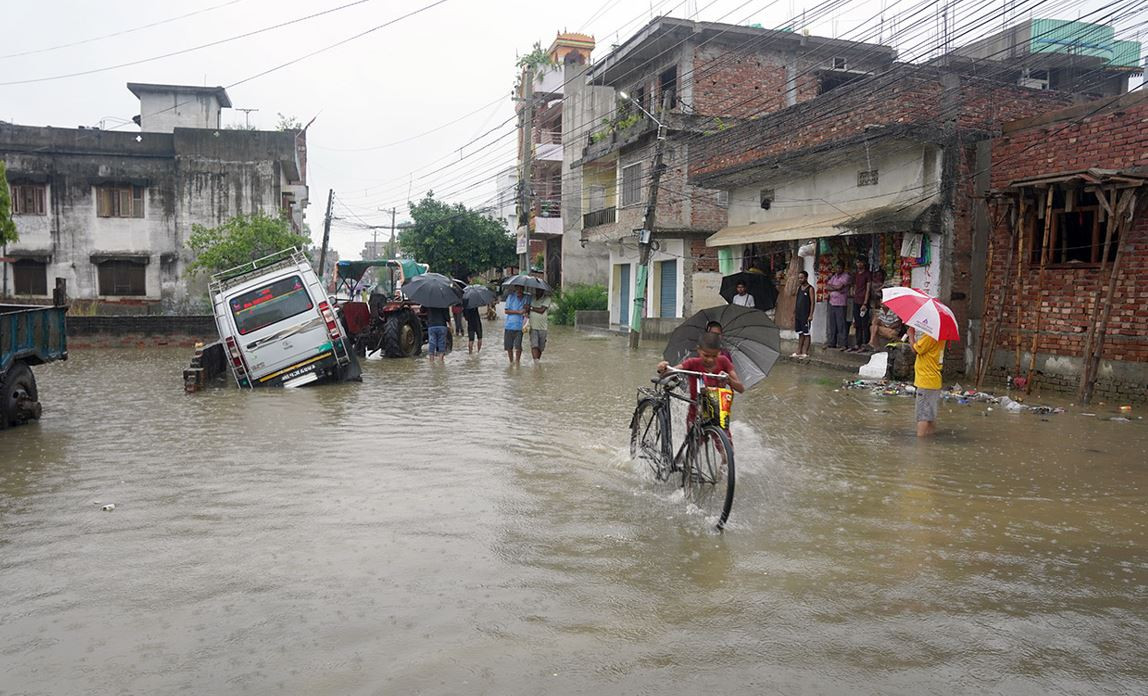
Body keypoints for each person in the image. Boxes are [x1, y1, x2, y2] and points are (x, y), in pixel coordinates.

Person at [657, 332, 745, 431]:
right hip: (695, 413)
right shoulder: (692, 363)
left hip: (718, 412)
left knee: (724, 443)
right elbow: (672, 371)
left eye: (714, 356)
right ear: (699, 350)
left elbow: (741, 388)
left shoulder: (724, 361)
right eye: (706, 355)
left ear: (719, 352)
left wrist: (728, 379)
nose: (710, 359)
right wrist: (662, 369)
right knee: (695, 443)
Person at [908, 326, 945, 438]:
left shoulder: (930, 336)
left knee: (922, 416)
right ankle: (930, 441)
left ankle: (921, 445)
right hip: (934, 380)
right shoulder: (940, 335)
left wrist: (911, 335)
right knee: (930, 416)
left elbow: (916, 349)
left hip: (926, 380)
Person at [825, 260, 851, 351]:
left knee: (841, 324)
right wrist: (835, 288)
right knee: (832, 324)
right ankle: (832, 342)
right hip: (832, 302)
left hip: (841, 303)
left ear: (843, 268)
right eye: (837, 267)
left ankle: (843, 344)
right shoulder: (834, 276)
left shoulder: (846, 276)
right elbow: (827, 286)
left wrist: (833, 287)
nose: (838, 269)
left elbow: (839, 287)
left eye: (840, 268)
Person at [848, 258, 872, 352]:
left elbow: (868, 289)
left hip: (863, 301)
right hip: (856, 300)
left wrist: (865, 303)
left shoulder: (867, 274)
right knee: (857, 323)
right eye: (857, 262)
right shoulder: (856, 274)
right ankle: (858, 343)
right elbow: (854, 286)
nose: (858, 264)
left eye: (860, 262)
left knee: (864, 324)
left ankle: (864, 344)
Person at [503, 285, 530, 366]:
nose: (519, 290)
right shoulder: (511, 297)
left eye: (520, 289)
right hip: (509, 325)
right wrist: (518, 312)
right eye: (517, 289)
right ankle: (511, 362)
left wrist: (527, 308)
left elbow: (528, 309)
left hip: (520, 326)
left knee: (518, 346)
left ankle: (517, 362)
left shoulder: (527, 297)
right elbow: (506, 311)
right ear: (515, 289)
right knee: (509, 346)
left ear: (523, 289)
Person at [792, 270, 815, 358]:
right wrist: (794, 312)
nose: (800, 280)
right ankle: (799, 351)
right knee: (800, 333)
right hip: (798, 314)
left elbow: (812, 302)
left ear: (806, 278)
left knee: (806, 333)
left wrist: (811, 314)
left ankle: (805, 352)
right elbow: (797, 301)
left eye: (801, 278)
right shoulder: (799, 288)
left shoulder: (810, 289)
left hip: (806, 315)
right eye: (799, 278)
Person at [527, 287, 552, 364]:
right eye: (537, 289)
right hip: (533, 326)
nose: (538, 291)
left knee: (541, 347)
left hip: (543, 327)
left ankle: (537, 360)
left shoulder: (547, 298)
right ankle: (536, 363)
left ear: (543, 291)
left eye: (540, 290)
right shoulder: (532, 298)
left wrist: (530, 308)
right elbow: (527, 308)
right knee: (534, 344)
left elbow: (542, 310)